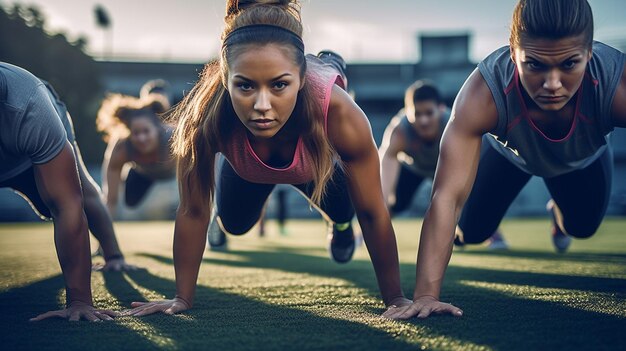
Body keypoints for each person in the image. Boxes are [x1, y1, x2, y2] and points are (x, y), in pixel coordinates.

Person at [124, 0, 436, 317]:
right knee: (232, 223)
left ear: (299, 79)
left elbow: (373, 212)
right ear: (225, 78)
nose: (262, 105)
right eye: (244, 85)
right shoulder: (204, 118)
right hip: (248, 171)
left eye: (279, 85)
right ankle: (315, 67)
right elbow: (193, 210)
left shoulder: (339, 113)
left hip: (315, 162)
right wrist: (181, 298)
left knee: (349, 211)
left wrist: (396, 298)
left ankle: (328, 66)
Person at [384, 0, 625, 319]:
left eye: (569, 64)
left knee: (582, 227)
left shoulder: (616, 82)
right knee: (471, 232)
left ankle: (559, 216)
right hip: (511, 157)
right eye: (535, 65)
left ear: (589, 53)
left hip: (581, 159)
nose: (552, 84)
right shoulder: (483, 91)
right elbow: (447, 198)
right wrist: (427, 295)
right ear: (514, 54)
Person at [0, 62, 130, 321]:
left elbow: (68, 205)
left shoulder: (29, 103)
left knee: (79, 194)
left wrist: (79, 300)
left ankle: (113, 253)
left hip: (30, 152)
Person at [379, 81, 509, 250]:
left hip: (448, 165)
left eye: (428, 113)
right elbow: (388, 160)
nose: (423, 120)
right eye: (417, 114)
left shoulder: (455, 123)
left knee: (472, 196)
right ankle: (369, 234)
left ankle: (492, 232)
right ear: (407, 112)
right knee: (394, 204)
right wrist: (382, 203)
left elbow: (469, 164)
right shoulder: (400, 131)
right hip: (413, 168)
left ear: (440, 109)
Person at [96, 94, 176, 218]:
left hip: (174, 172)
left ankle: (158, 90)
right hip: (144, 174)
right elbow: (110, 200)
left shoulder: (173, 139)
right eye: (136, 133)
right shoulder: (122, 148)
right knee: (130, 201)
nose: (141, 138)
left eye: (146, 131)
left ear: (158, 129)